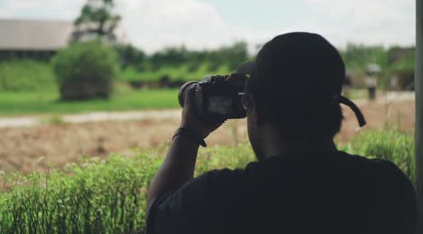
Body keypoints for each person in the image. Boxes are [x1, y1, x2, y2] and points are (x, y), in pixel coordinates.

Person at [146, 32, 417, 234]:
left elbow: (157, 215)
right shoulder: (388, 186)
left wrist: (189, 133)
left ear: (253, 106)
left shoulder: (219, 197)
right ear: (335, 105)